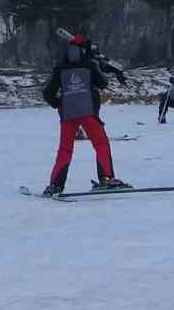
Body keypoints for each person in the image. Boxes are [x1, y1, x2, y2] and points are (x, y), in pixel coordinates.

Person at [42, 35, 127, 195]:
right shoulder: (90, 65)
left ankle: (55, 185)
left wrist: (58, 103)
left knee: (65, 150)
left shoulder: (60, 68)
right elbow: (103, 83)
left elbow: (47, 93)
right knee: (101, 144)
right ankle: (107, 179)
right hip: (88, 112)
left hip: (67, 114)